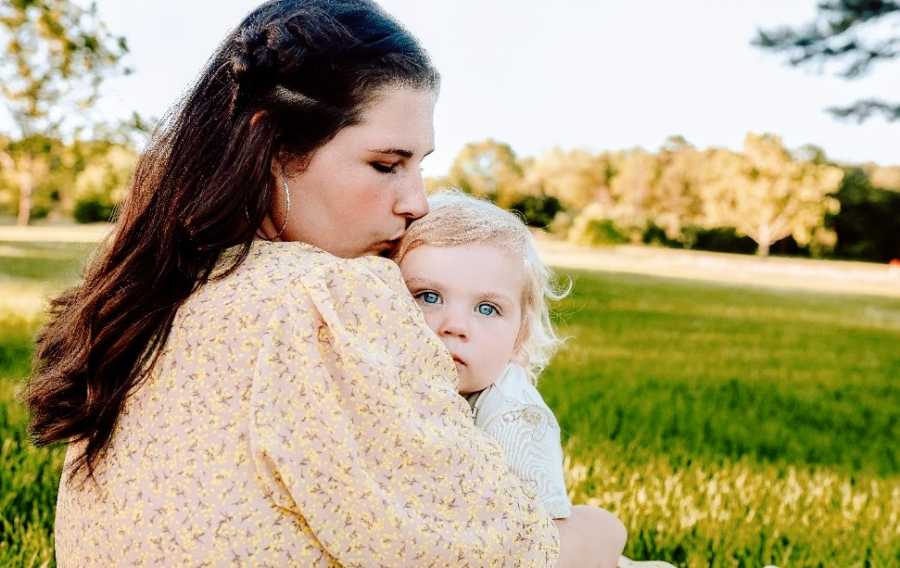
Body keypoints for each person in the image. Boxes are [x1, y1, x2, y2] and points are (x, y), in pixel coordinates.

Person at [26, 1, 625, 566]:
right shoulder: (324, 298)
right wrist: (603, 528)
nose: (416, 201)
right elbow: (500, 555)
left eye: (421, 166)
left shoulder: (166, 290)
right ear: (277, 149)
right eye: (387, 166)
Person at [393, 191, 675, 568]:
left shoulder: (512, 416)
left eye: (487, 308)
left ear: (519, 337)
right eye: (428, 297)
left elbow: (541, 545)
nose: (455, 326)